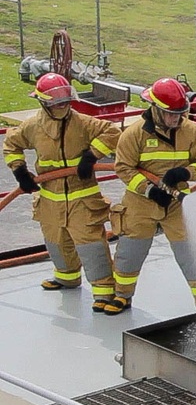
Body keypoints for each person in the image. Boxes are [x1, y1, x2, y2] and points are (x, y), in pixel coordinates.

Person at [3, 73, 121, 310]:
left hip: (83, 197)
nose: (62, 106)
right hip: (49, 198)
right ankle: (66, 277)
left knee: (91, 245)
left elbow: (112, 133)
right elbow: (12, 145)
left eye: (65, 101)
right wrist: (20, 171)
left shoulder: (83, 123)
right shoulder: (33, 126)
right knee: (56, 242)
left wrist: (92, 155)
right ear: (44, 103)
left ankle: (104, 291)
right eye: (57, 102)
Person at [109, 77, 196, 315]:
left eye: (179, 114)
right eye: (169, 114)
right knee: (130, 251)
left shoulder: (192, 133)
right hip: (140, 203)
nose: (175, 119)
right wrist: (149, 190)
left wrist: (186, 172)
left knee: (191, 253)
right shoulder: (134, 134)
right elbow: (123, 167)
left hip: (178, 204)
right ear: (155, 109)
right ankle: (122, 296)